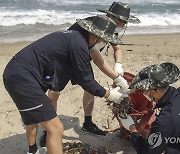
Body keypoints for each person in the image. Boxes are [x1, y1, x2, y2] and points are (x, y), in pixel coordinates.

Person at [3, 15, 129, 154]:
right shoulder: (79, 45)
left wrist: (115, 78)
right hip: (22, 79)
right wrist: (110, 94)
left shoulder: (76, 36)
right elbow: (86, 81)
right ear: (96, 35)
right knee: (56, 129)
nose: (105, 43)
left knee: (32, 115)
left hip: (17, 72)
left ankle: (33, 151)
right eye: (105, 39)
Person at [41, 2, 140, 146]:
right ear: (111, 15)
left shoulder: (112, 29)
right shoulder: (94, 26)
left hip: (83, 59)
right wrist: (114, 80)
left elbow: (116, 49)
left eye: (126, 22)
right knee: (54, 93)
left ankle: (88, 123)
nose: (124, 25)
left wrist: (118, 66)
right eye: (122, 21)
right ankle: (48, 131)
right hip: (65, 58)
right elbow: (95, 56)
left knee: (89, 89)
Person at [118, 62, 180, 154]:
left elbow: (146, 152)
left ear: (153, 91)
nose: (143, 93)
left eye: (143, 90)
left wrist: (133, 129)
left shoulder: (165, 120)